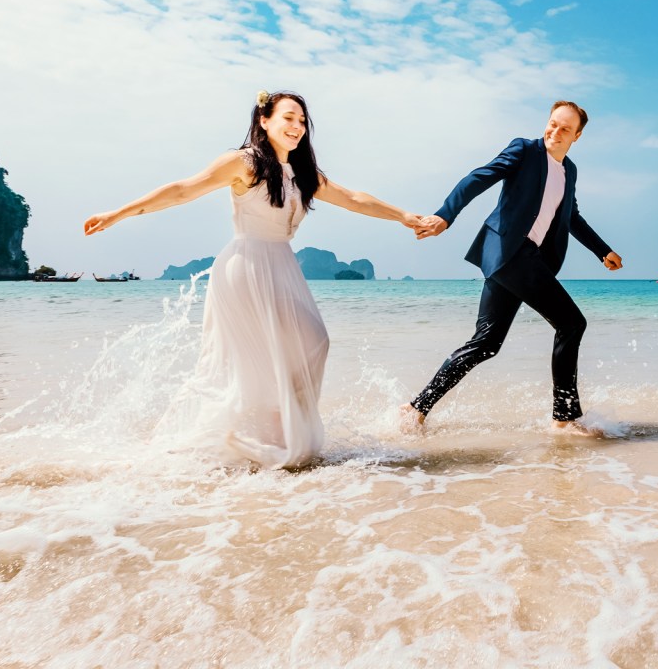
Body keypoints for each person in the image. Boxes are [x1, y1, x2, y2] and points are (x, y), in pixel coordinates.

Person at [83, 90, 422, 468]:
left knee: (313, 343)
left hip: (282, 264)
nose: (296, 127)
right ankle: (243, 441)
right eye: (288, 118)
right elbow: (183, 189)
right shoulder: (245, 162)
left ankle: (269, 437)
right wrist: (120, 212)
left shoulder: (303, 174)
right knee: (260, 358)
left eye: (302, 121)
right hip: (246, 265)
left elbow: (355, 199)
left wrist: (404, 216)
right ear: (264, 120)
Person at [401, 100, 623, 437]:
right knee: (572, 323)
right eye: (552, 123)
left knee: (486, 343)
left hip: (521, 260)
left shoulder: (569, 171)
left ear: (577, 136)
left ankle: (416, 408)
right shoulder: (524, 151)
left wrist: (602, 250)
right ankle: (564, 417)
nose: (555, 131)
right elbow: (477, 178)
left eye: (565, 128)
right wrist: (446, 214)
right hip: (509, 252)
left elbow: (571, 217)